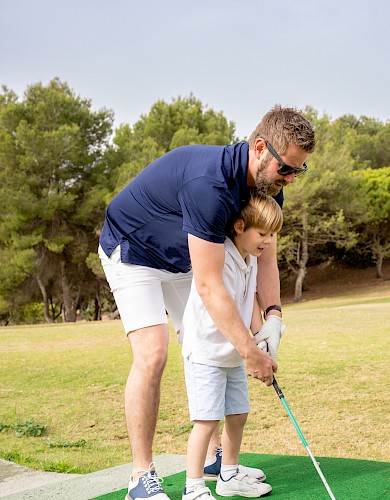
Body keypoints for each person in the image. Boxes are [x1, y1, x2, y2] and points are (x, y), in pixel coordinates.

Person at [98, 105, 315, 500]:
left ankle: (217, 461)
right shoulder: (209, 186)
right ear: (260, 147)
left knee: (206, 344)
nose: (291, 180)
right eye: (287, 169)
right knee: (153, 353)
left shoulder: (268, 192)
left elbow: (264, 258)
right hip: (133, 251)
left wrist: (273, 317)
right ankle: (139, 477)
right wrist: (249, 352)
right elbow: (211, 285)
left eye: (299, 171)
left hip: (186, 257)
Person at [181, 193, 283, 500]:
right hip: (206, 353)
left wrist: (262, 334)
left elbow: (247, 299)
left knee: (238, 414)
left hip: (234, 353)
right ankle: (194, 487)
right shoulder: (221, 255)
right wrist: (250, 350)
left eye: (272, 235)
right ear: (239, 226)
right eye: (263, 233)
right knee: (206, 420)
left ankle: (229, 473)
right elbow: (220, 304)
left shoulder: (249, 258)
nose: (267, 241)